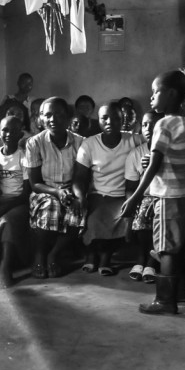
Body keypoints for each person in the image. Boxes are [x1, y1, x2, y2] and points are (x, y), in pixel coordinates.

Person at [121, 70, 185, 315]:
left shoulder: (163, 123)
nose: (151, 97)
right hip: (182, 193)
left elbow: (155, 162)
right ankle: (178, 293)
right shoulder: (181, 121)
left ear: (171, 94)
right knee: (174, 245)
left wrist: (136, 196)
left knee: (166, 248)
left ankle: (164, 301)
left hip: (168, 194)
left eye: (155, 92)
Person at [73, 102, 144, 275]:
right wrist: (80, 196)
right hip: (98, 194)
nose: (110, 122)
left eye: (115, 118)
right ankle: (92, 256)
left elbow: (151, 150)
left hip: (123, 196)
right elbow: (80, 177)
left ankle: (105, 258)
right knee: (93, 218)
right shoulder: (89, 144)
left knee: (123, 218)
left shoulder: (134, 140)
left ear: (122, 121)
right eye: (105, 118)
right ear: (99, 120)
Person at [25, 97, 83, 279]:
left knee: (78, 209)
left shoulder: (81, 142)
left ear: (67, 118)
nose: (53, 119)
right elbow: (34, 183)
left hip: (72, 188)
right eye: (47, 115)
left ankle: (54, 254)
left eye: (58, 114)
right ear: (41, 119)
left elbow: (81, 177)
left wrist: (72, 193)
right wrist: (57, 192)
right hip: (44, 191)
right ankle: (39, 255)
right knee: (52, 206)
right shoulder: (34, 143)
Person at [0, 116, 30, 287]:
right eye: (5, 130)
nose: (9, 134)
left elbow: (25, 193)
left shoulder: (23, 157)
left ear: (21, 134)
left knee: (8, 220)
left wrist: (4, 208)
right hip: (0, 202)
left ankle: (5, 267)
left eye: (13, 130)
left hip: (19, 202)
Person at [125, 111, 163, 283]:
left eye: (154, 124)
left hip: (164, 195)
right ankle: (141, 257)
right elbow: (131, 187)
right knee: (142, 215)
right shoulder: (136, 154)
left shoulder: (168, 150)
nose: (149, 128)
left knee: (158, 214)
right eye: (145, 124)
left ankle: (152, 262)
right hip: (144, 196)